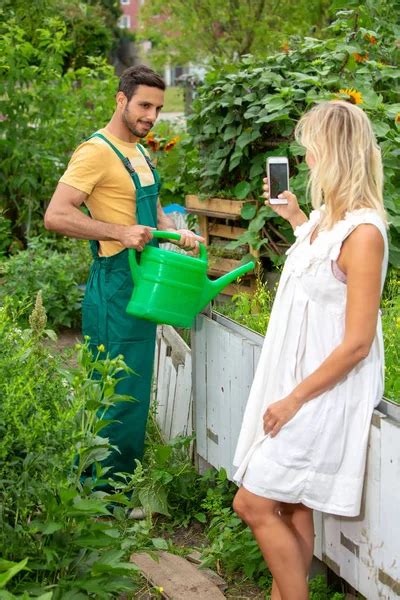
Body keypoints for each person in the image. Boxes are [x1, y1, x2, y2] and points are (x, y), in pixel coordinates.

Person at [232, 100, 388, 600]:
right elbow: (322, 276)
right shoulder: (326, 221)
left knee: (252, 503)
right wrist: (296, 216)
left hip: (325, 392)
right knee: (293, 507)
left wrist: (295, 398)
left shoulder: (365, 234)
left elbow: (358, 342)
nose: (306, 161)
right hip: (299, 383)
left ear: (335, 152)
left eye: (312, 149)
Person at [44, 65, 203, 490]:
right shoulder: (96, 151)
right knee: (112, 392)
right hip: (114, 281)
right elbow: (56, 215)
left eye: (157, 108)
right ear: (121, 99)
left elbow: (152, 212)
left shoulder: (140, 150)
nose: (151, 115)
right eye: (144, 105)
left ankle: (113, 495)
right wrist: (118, 231)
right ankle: (99, 499)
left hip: (142, 280)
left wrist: (176, 228)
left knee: (130, 391)